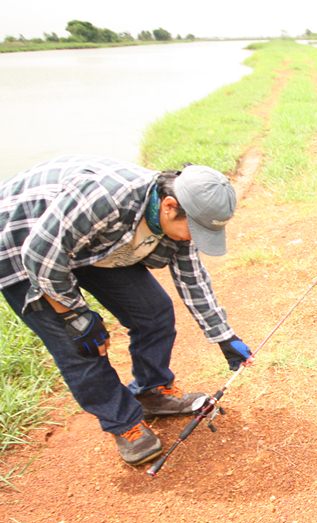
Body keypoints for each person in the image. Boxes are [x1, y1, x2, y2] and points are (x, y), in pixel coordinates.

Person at [0, 156, 254, 465]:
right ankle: (124, 423)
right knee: (80, 345)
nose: (194, 239)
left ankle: (152, 391)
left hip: (88, 243)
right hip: (22, 245)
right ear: (170, 205)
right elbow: (40, 257)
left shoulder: (182, 215)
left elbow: (192, 278)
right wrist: (74, 315)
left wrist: (223, 336)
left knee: (154, 311)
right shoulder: (105, 197)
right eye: (194, 231)